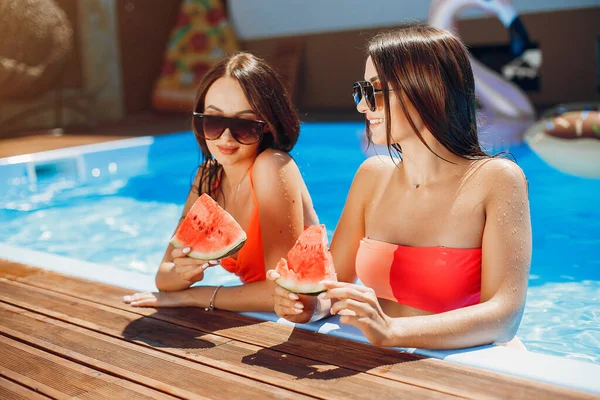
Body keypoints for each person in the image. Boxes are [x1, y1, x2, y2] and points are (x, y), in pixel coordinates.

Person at [268, 25, 532, 350]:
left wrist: (392, 331)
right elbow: (331, 287)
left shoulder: (497, 180)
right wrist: (305, 304)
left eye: (375, 91)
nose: (362, 106)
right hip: (372, 360)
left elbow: (504, 317)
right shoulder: (371, 176)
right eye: (360, 90)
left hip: (464, 369)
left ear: (429, 90)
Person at [124, 52, 318, 312]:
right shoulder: (208, 177)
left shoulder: (273, 166)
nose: (226, 137)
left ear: (269, 126)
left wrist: (192, 295)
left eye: (244, 124)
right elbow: (164, 276)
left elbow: (283, 291)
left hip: (311, 313)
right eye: (214, 121)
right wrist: (185, 273)